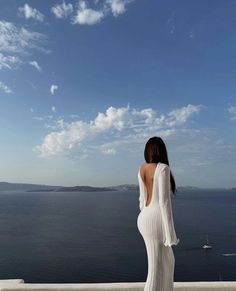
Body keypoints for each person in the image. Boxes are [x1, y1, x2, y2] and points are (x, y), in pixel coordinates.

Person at [137, 136, 180, 291]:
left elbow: (142, 199)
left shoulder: (142, 168)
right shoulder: (163, 168)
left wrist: (146, 218)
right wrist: (170, 234)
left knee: (169, 261)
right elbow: (164, 202)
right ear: (161, 151)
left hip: (144, 217)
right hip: (156, 220)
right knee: (155, 269)